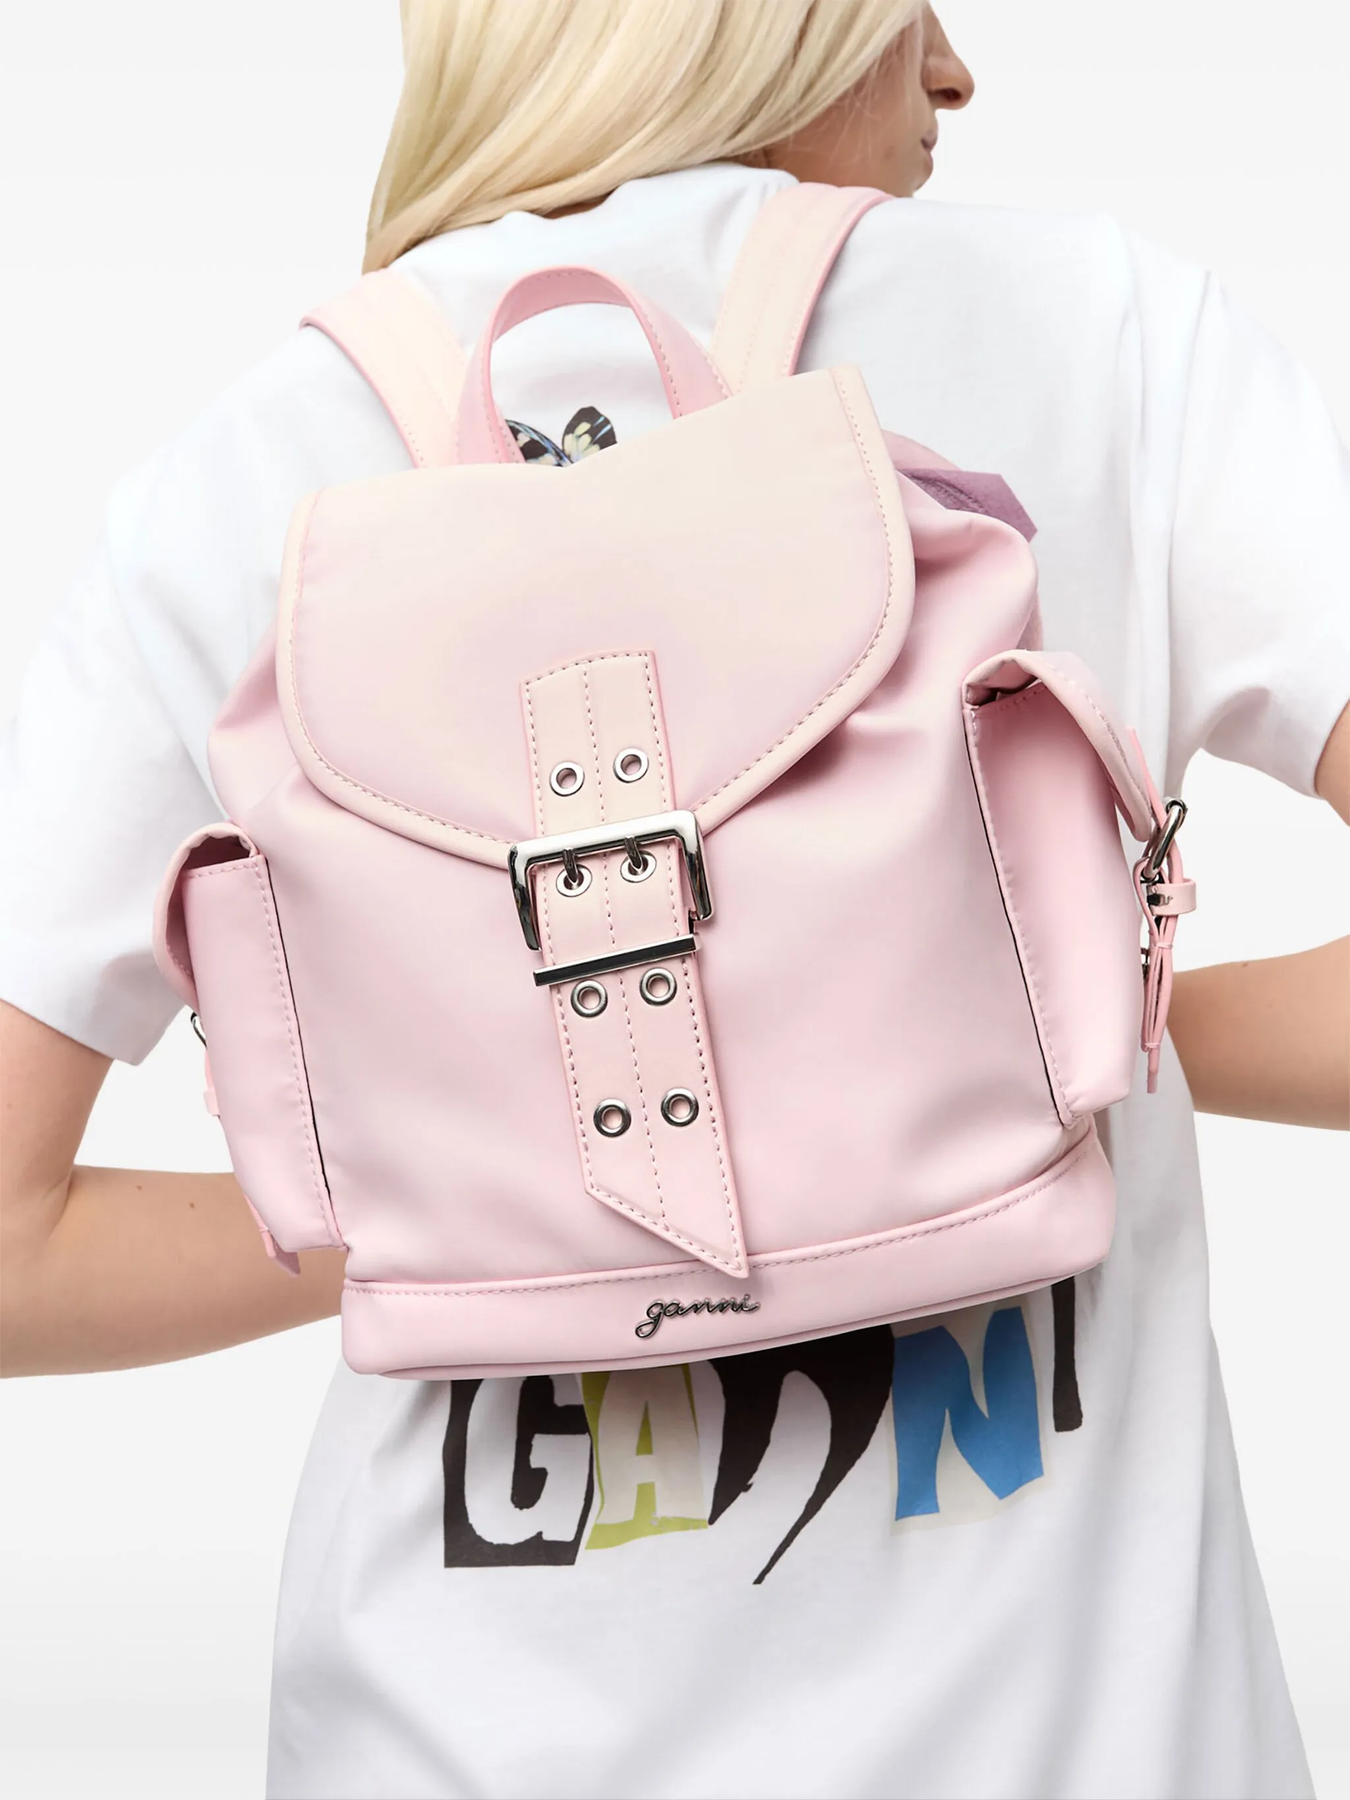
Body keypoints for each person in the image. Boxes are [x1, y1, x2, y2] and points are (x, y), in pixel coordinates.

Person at [2, 3, 1347, 1796]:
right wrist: (1051, 1029)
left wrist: (474, 1192)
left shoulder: (247, 470)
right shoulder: (1098, 333)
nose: (951, 67)